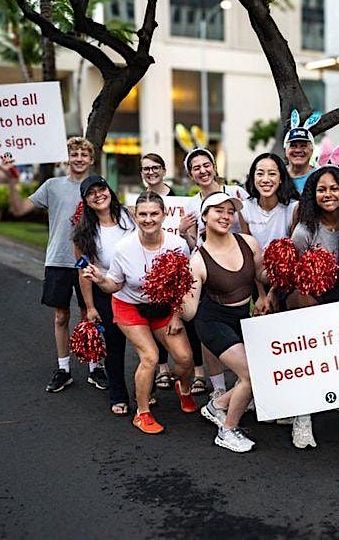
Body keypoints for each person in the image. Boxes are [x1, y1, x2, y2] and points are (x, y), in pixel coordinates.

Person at [83, 191, 197, 434]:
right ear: (135, 216)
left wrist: (177, 315)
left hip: (163, 308)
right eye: (143, 214)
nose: (148, 219)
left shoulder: (177, 245)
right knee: (151, 357)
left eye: (154, 213)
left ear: (163, 215)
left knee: (185, 358)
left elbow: (182, 285)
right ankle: (142, 413)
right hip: (129, 306)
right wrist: (100, 279)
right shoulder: (124, 248)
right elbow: (114, 284)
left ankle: (184, 390)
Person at [0, 138, 107, 393]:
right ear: (67, 158)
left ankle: (95, 368)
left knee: (89, 315)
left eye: (84, 154)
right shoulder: (52, 186)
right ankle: (64, 368)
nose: (79, 158)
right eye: (74, 154)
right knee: (61, 316)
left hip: (88, 261)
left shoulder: (98, 187)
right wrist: (11, 179)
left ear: (91, 159)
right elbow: (18, 209)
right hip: (58, 260)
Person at [181, 191, 269, 452]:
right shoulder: (197, 260)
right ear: (204, 217)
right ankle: (228, 430)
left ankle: (217, 406)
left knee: (260, 375)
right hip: (212, 321)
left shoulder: (249, 243)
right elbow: (189, 313)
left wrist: (278, 274)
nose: (226, 216)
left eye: (230, 211)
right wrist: (178, 293)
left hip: (242, 317)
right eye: (218, 210)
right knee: (251, 376)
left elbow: (261, 275)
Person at [287, 164, 339, 448]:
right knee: (308, 356)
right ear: (313, 194)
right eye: (321, 189)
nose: (328, 194)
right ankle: (302, 416)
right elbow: (295, 276)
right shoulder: (304, 230)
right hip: (312, 297)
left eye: (334, 188)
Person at [176, 147, 244, 399]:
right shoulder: (192, 205)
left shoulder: (235, 194)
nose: (203, 171)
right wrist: (185, 233)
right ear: (190, 174)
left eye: (206, 165)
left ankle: (242, 388)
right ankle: (218, 389)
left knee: (241, 333)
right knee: (209, 333)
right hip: (209, 273)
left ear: (214, 167)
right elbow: (196, 246)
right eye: (196, 168)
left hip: (238, 271)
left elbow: (246, 231)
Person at [139, 153, 205, 395]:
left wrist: (182, 231)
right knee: (156, 318)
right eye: (146, 168)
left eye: (155, 167)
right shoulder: (140, 200)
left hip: (181, 269)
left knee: (188, 320)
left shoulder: (180, 200)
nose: (151, 172)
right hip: (151, 270)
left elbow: (192, 240)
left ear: (164, 170)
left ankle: (198, 371)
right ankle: (163, 368)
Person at [73, 175, 135, 415]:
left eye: (102, 189)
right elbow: (84, 272)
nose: (98, 195)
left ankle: (146, 392)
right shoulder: (84, 233)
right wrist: (90, 307)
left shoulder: (130, 217)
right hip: (106, 294)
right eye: (91, 193)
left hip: (137, 290)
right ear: (86, 201)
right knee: (114, 348)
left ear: (110, 190)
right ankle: (118, 395)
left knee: (147, 346)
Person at [239, 152, 300, 314]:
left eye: (272, 174)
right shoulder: (244, 208)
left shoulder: (293, 208)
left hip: (286, 278)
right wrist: (261, 294)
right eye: (260, 174)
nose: (266, 179)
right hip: (255, 278)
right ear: (253, 178)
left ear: (281, 179)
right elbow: (247, 254)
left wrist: (273, 292)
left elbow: (293, 254)